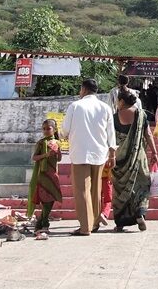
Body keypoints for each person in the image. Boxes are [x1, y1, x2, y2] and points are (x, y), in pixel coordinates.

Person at [61, 79, 117, 236]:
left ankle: (85, 226)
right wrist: (112, 154)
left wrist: (62, 135)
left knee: (82, 190)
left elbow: (65, 130)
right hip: (100, 154)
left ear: (83, 90)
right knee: (95, 190)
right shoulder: (105, 108)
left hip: (80, 153)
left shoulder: (75, 106)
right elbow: (110, 134)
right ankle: (94, 223)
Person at [111, 90, 158, 232]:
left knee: (121, 189)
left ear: (122, 101)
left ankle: (120, 222)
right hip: (139, 157)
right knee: (142, 186)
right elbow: (148, 134)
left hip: (120, 159)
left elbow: (110, 137)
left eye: (117, 101)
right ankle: (139, 213)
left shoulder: (114, 117)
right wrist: (155, 152)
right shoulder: (141, 115)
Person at [27, 119, 62, 235]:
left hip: (53, 174)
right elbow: (34, 158)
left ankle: (39, 223)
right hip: (43, 174)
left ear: (54, 129)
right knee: (45, 200)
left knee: (51, 199)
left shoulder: (57, 142)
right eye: (44, 129)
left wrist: (57, 153)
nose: (46, 131)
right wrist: (46, 155)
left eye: (49, 128)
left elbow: (59, 159)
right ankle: (45, 224)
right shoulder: (41, 143)